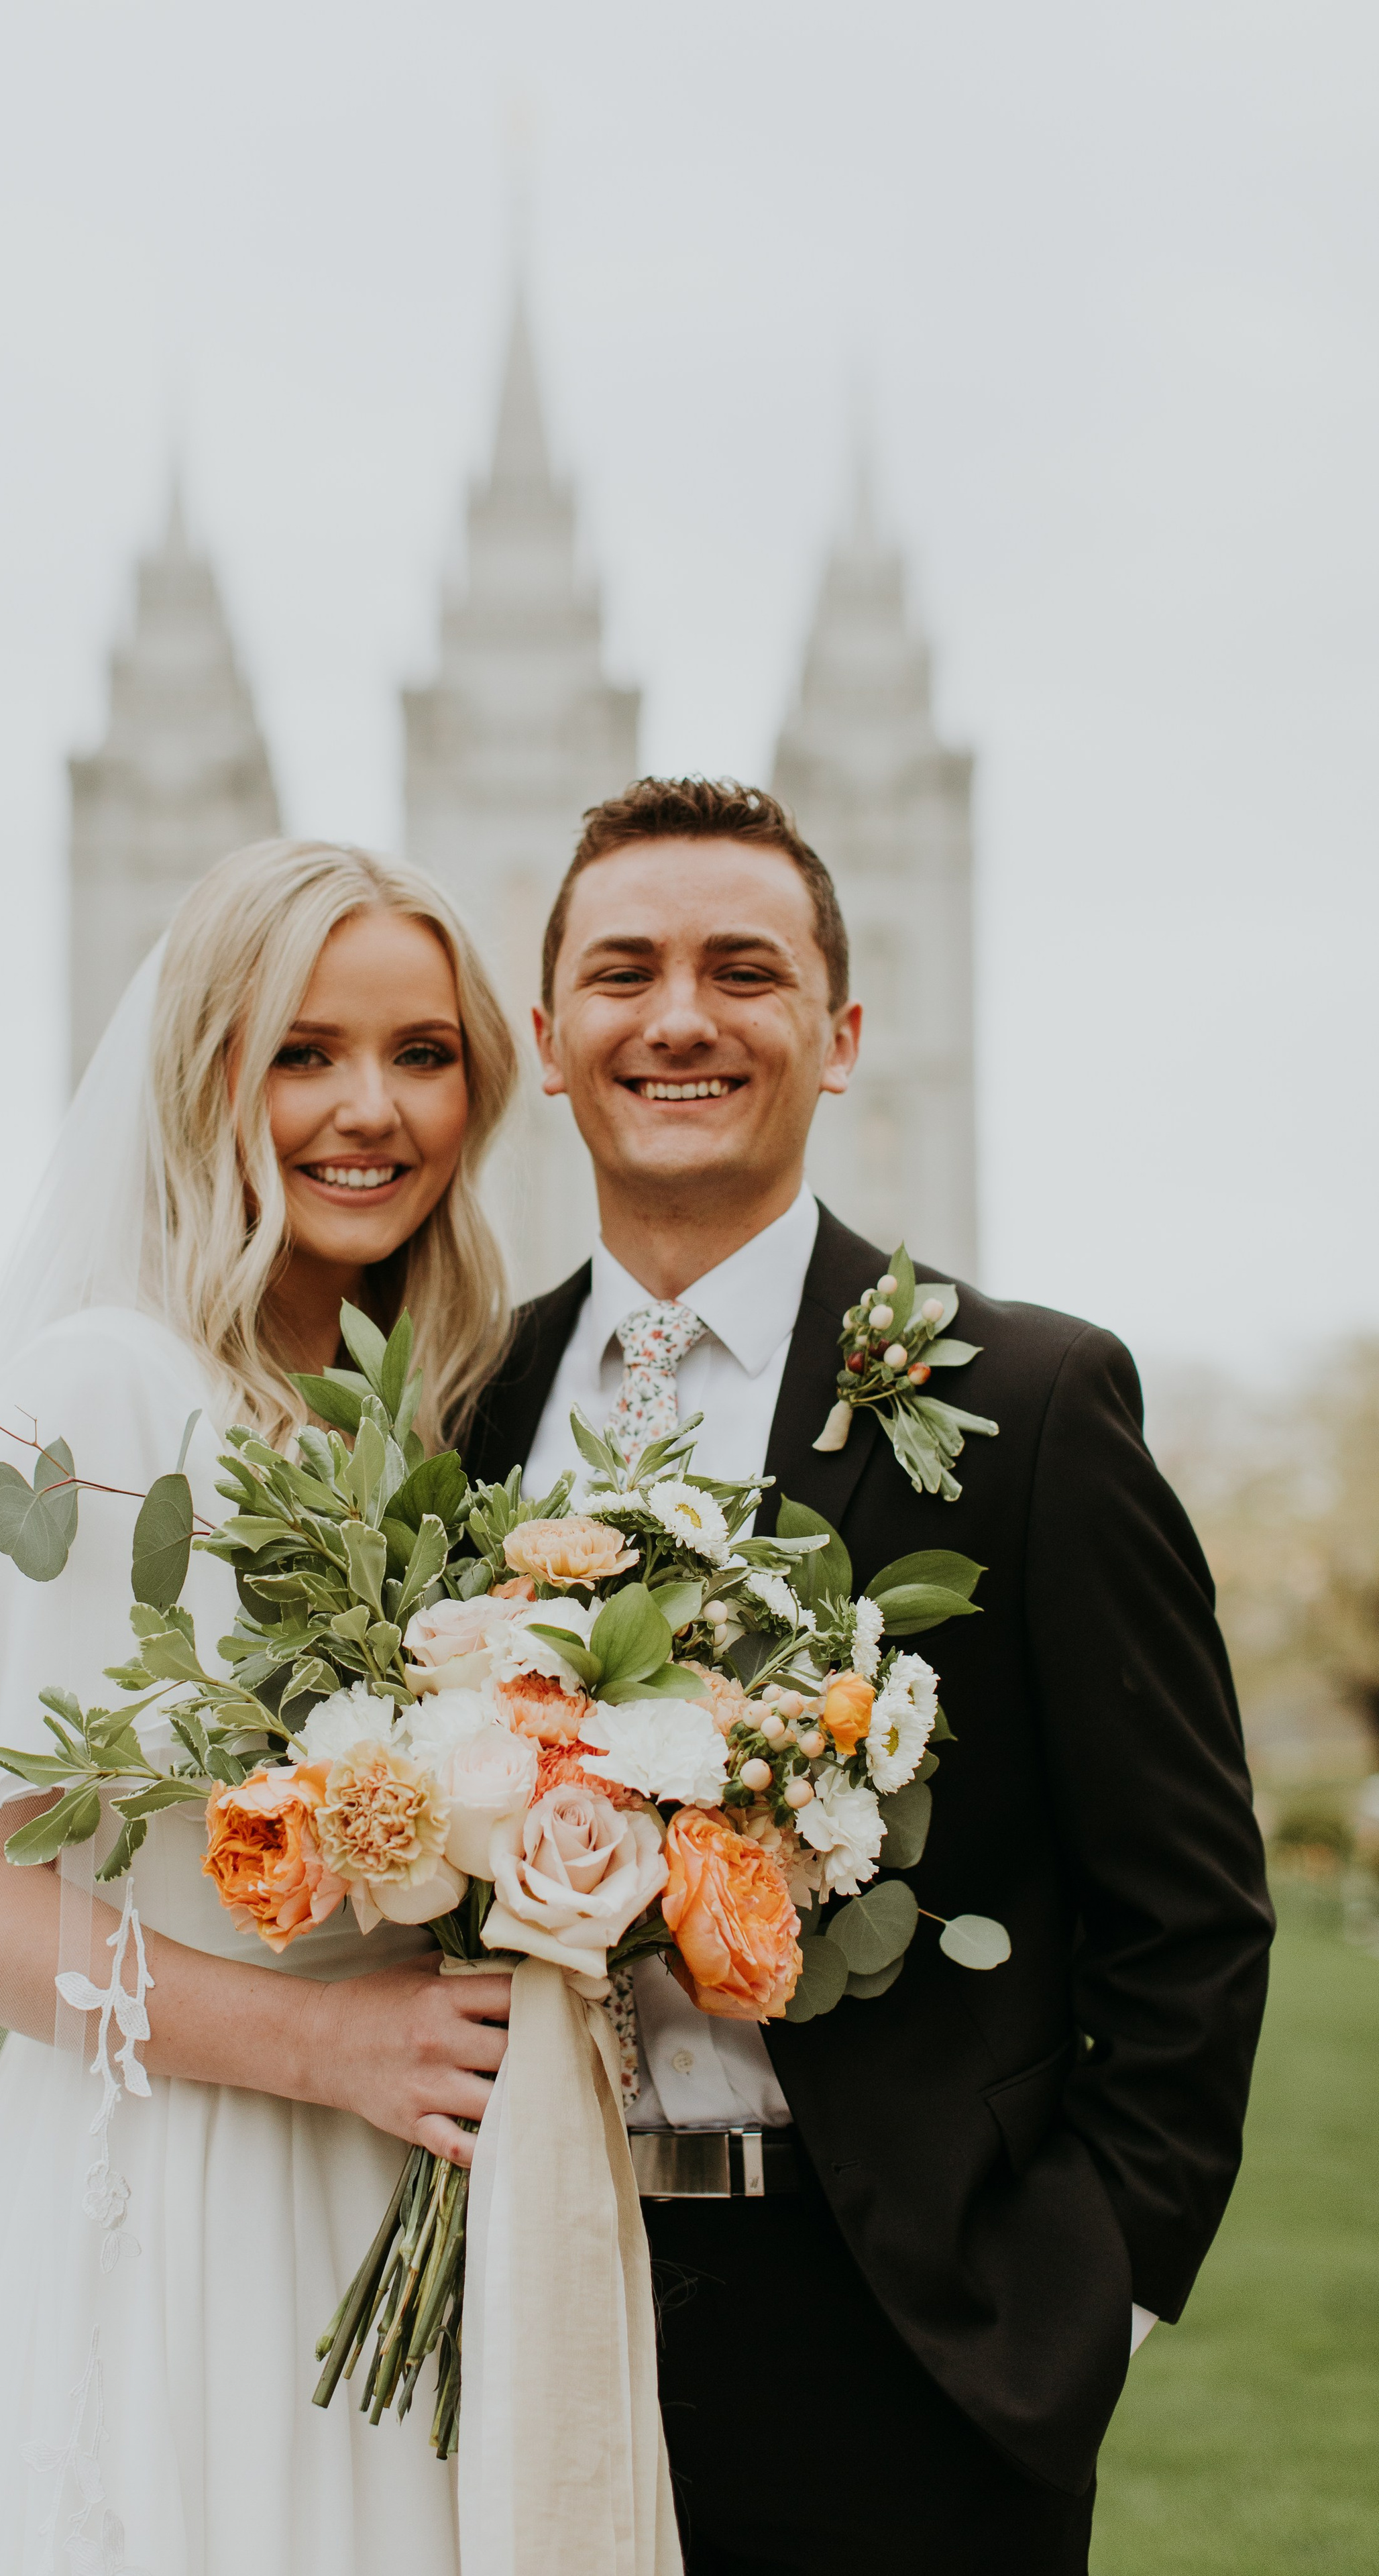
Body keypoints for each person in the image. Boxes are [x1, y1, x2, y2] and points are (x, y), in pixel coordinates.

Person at [0, 840, 519, 2576]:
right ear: (205, 1068)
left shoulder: (444, 1420)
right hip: (181, 2197)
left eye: (422, 1054)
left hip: (408, 2201)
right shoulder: (94, 1402)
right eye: (303, 1051)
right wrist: (330, 2044)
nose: (372, 1108)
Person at [461, 775, 1274, 2576]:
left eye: (742, 970)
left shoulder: (1034, 1403)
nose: (679, 1017)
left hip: (911, 2345)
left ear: (836, 1036)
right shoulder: (456, 1414)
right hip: (517, 2311)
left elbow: (1190, 1919)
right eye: (625, 973)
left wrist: (1095, 2297)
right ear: (546, 1040)